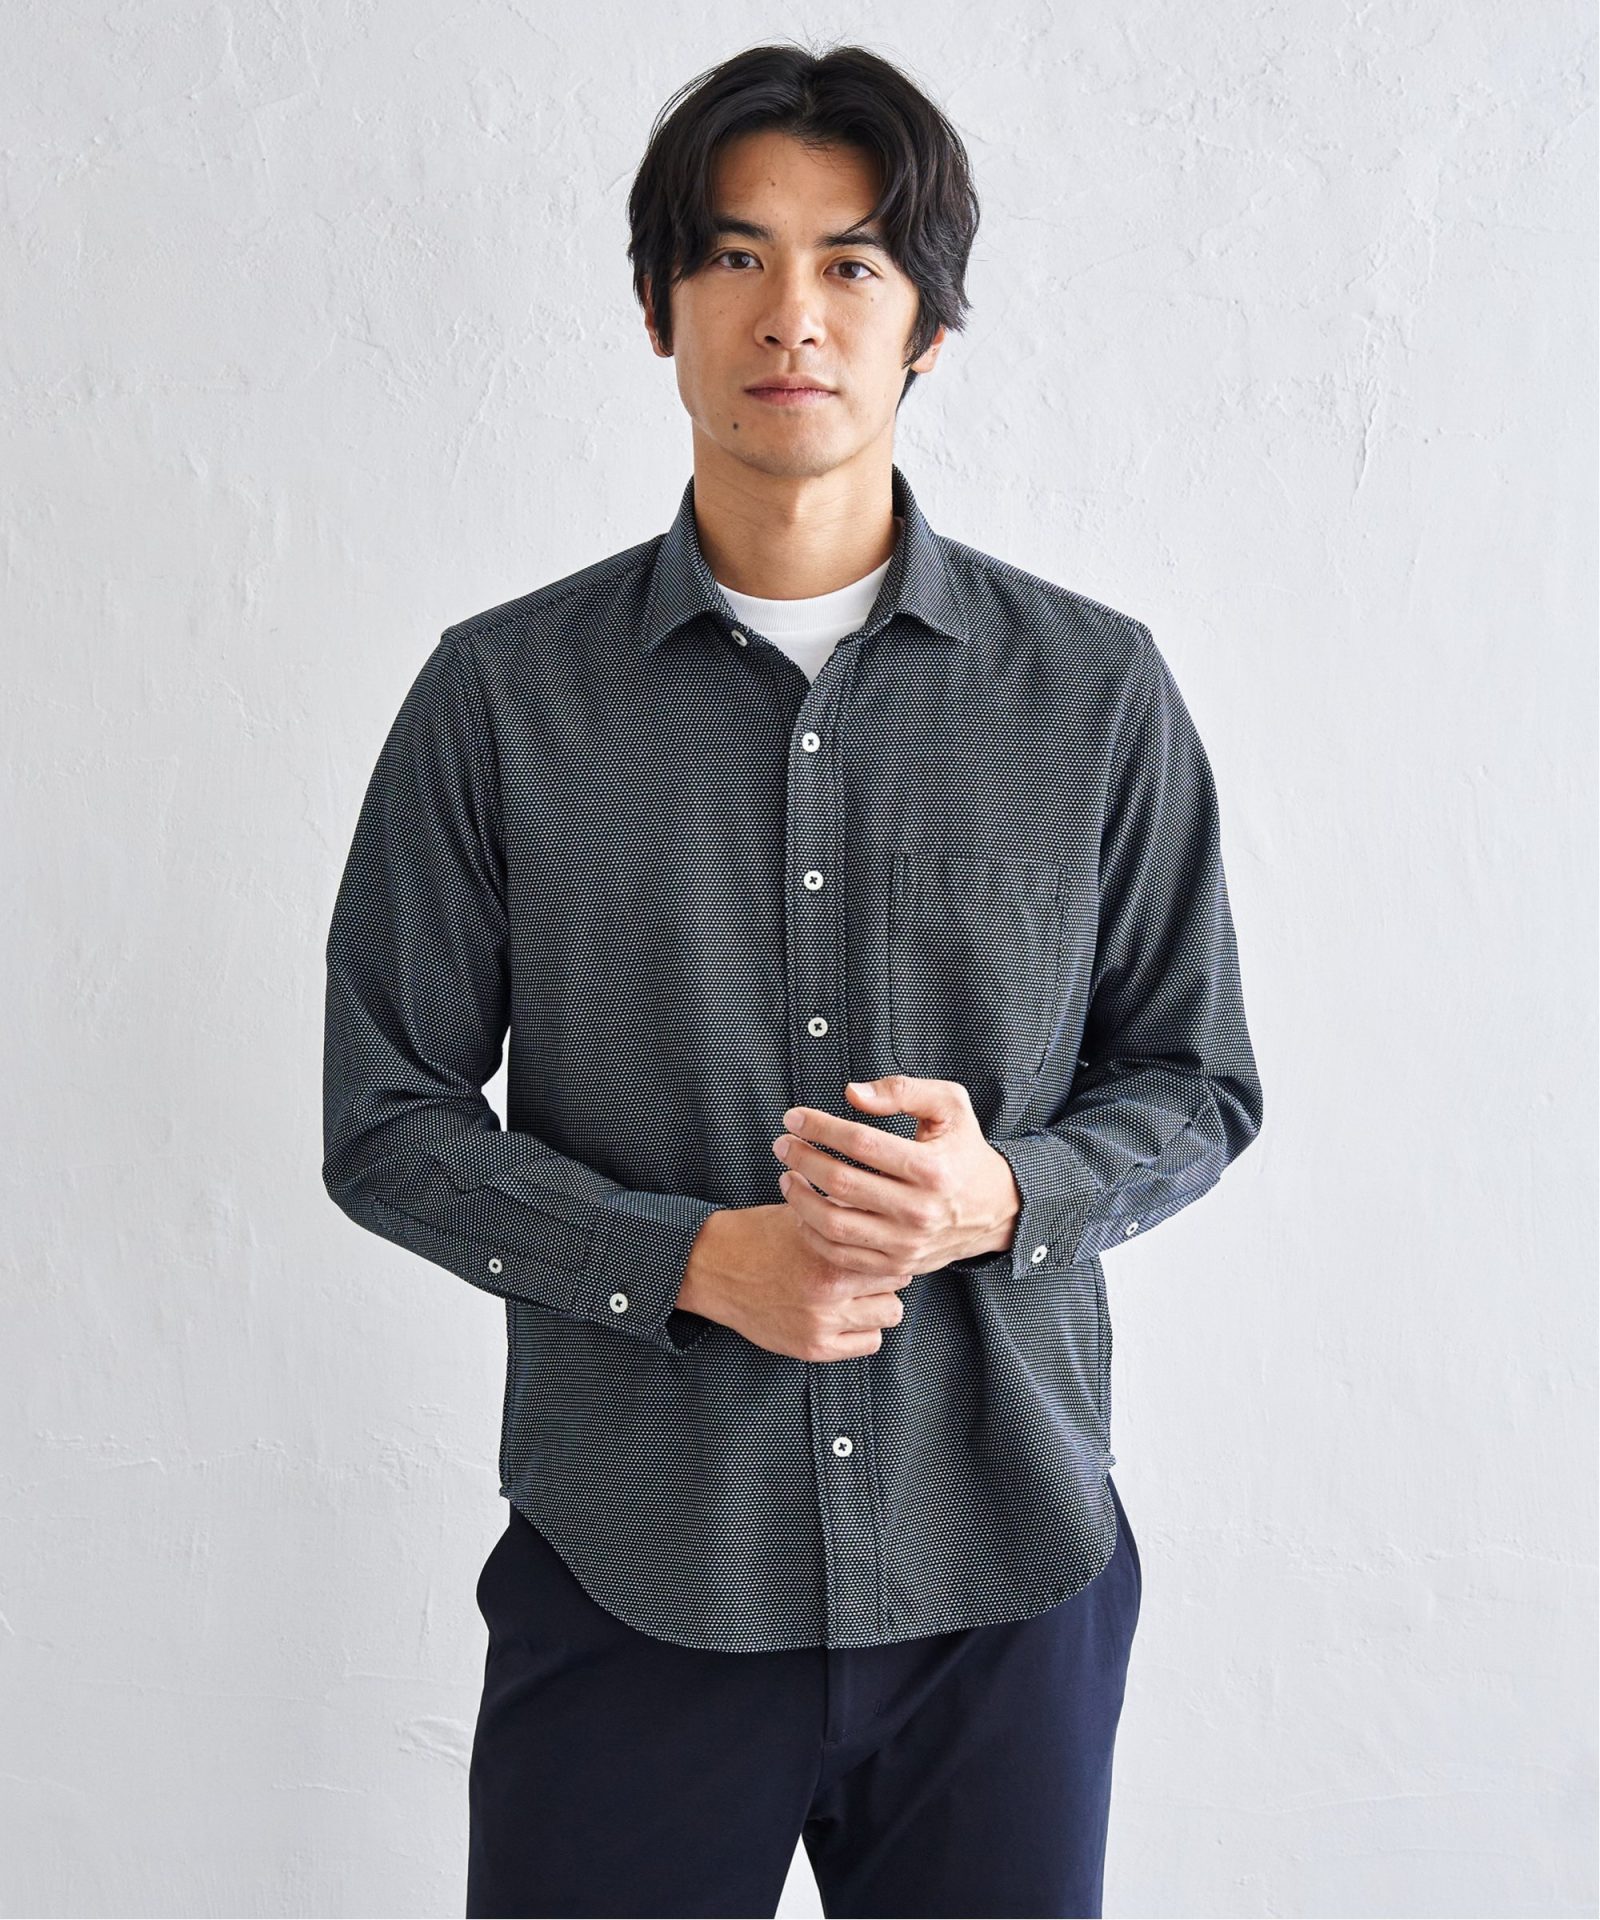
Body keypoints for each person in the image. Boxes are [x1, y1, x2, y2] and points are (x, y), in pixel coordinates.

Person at [321, 40, 1264, 1920]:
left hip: (1004, 1576)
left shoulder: (1091, 691)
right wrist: (688, 1261)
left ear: (929, 330)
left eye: (853, 264)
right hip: (638, 1570)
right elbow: (387, 1120)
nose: (793, 315)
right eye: (736, 257)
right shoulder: (501, 700)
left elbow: (1198, 1080)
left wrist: (1009, 1194)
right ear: (659, 308)